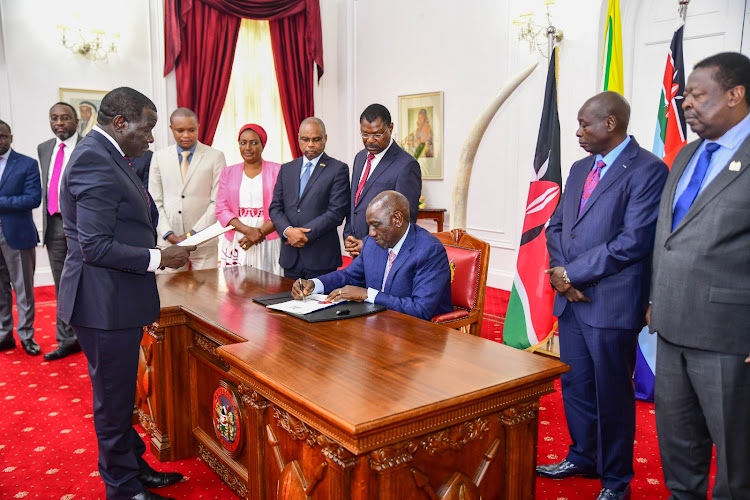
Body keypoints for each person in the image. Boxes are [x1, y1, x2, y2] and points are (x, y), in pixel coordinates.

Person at [58, 87, 194, 500]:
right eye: (148, 128)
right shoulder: (94, 161)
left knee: (120, 396)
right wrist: (158, 257)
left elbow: (129, 215)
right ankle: (121, 488)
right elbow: (94, 246)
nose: (151, 137)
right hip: (103, 301)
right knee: (113, 400)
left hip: (115, 297)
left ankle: (132, 466)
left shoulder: (110, 156)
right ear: (121, 123)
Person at [538, 91, 668, 500]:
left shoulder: (648, 170)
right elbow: (556, 227)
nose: (577, 132)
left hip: (610, 303)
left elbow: (633, 241)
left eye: (584, 124)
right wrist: (562, 278)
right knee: (575, 385)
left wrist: (572, 273)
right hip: (571, 300)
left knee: (612, 394)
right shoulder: (578, 169)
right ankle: (583, 455)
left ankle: (615, 481)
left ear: (610, 124)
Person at [648, 52, 750, 500]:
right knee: (678, 445)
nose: (685, 103)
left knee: (735, 460)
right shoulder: (687, 153)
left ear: (735, 94)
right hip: (670, 327)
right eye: (684, 94)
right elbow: (667, 236)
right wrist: (654, 299)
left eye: (697, 94)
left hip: (729, 336)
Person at [293, 190, 452, 321]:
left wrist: (366, 295)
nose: (370, 233)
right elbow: (349, 276)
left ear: (397, 219)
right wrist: (315, 284)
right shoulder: (373, 243)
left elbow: (420, 309)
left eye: (376, 225)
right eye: (369, 225)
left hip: (419, 336)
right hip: (379, 324)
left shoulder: (429, 251)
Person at [268, 117, 350, 279]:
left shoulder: (338, 169)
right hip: (290, 256)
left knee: (322, 304)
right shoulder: (287, 169)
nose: (310, 145)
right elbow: (275, 207)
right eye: (305, 139)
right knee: (289, 304)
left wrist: (304, 235)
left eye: (316, 139)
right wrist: (288, 231)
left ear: (325, 139)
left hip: (321, 257)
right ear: (298, 139)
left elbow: (336, 212)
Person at [149, 108, 227, 271]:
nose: (186, 135)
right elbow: (154, 201)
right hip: (168, 242)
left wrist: (192, 234)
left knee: (206, 293)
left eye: (191, 130)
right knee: (169, 293)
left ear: (198, 127)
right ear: (171, 129)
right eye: (180, 130)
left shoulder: (215, 156)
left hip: (204, 240)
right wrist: (169, 234)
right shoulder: (159, 157)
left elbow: (217, 201)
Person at [343, 104, 421, 258]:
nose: (370, 140)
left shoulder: (406, 165)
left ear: (390, 128)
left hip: (383, 254)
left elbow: (405, 221)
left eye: (377, 134)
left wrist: (366, 244)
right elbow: (355, 202)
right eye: (364, 134)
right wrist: (349, 236)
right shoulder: (359, 158)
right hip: (355, 251)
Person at [37, 102, 82, 360]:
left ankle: (90, 334)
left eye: (65, 118)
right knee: (60, 284)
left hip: (81, 224)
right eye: (54, 118)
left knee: (87, 282)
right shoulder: (44, 148)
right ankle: (66, 339)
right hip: (54, 223)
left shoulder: (89, 145)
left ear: (76, 121)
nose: (59, 123)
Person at [215, 123, 282, 274]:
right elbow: (221, 208)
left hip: (267, 236)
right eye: (243, 142)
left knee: (269, 285)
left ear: (262, 145)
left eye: (254, 143)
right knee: (237, 287)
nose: (248, 148)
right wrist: (248, 231)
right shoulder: (228, 172)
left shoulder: (278, 170)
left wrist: (260, 233)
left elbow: (282, 208)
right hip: (238, 237)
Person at [0, 120, 41, 356]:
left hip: (17, 234)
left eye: (2, 136)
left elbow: (32, 198)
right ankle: (4, 335)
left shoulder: (27, 164)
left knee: (23, 288)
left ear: (11, 137)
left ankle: (26, 335)